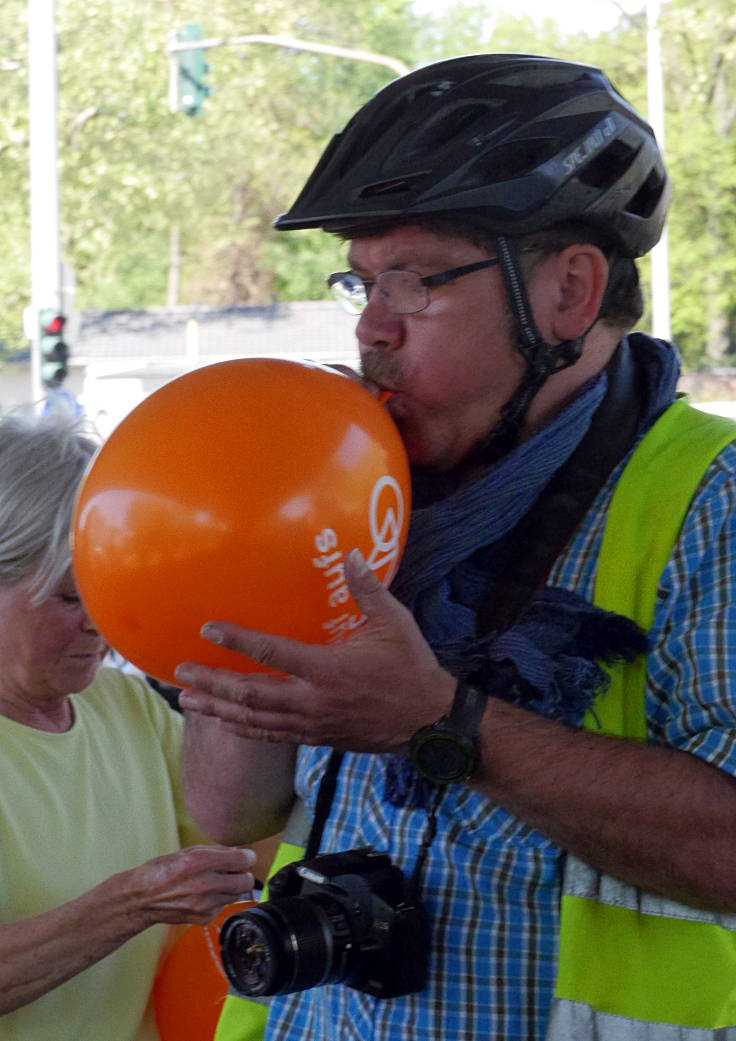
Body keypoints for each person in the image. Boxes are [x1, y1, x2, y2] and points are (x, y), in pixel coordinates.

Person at [177, 54, 736, 1041]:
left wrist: (440, 721)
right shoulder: (359, 485)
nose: (370, 327)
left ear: (569, 292)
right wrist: (258, 524)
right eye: (359, 280)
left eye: (414, 281)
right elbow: (229, 809)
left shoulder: (709, 499)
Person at [0, 409, 256, 1041]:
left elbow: (250, 842)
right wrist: (131, 904)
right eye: (68, 597)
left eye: (107, 586)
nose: (99, 621)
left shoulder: (125, 704)